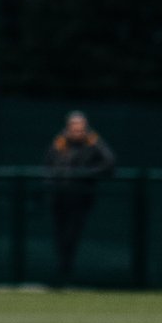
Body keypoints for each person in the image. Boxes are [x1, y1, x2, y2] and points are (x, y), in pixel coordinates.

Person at [44, 111, 115, 286]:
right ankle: (62, 274)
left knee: (72, 235)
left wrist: (85, 174)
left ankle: (68, 274)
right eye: (74, 128)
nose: (77, 132)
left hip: (81, 198)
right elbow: (49, 164)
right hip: (60, 197)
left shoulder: (93, 141)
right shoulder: (60, 141)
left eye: (80, 128)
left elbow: (109, 163)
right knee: (61, 236)